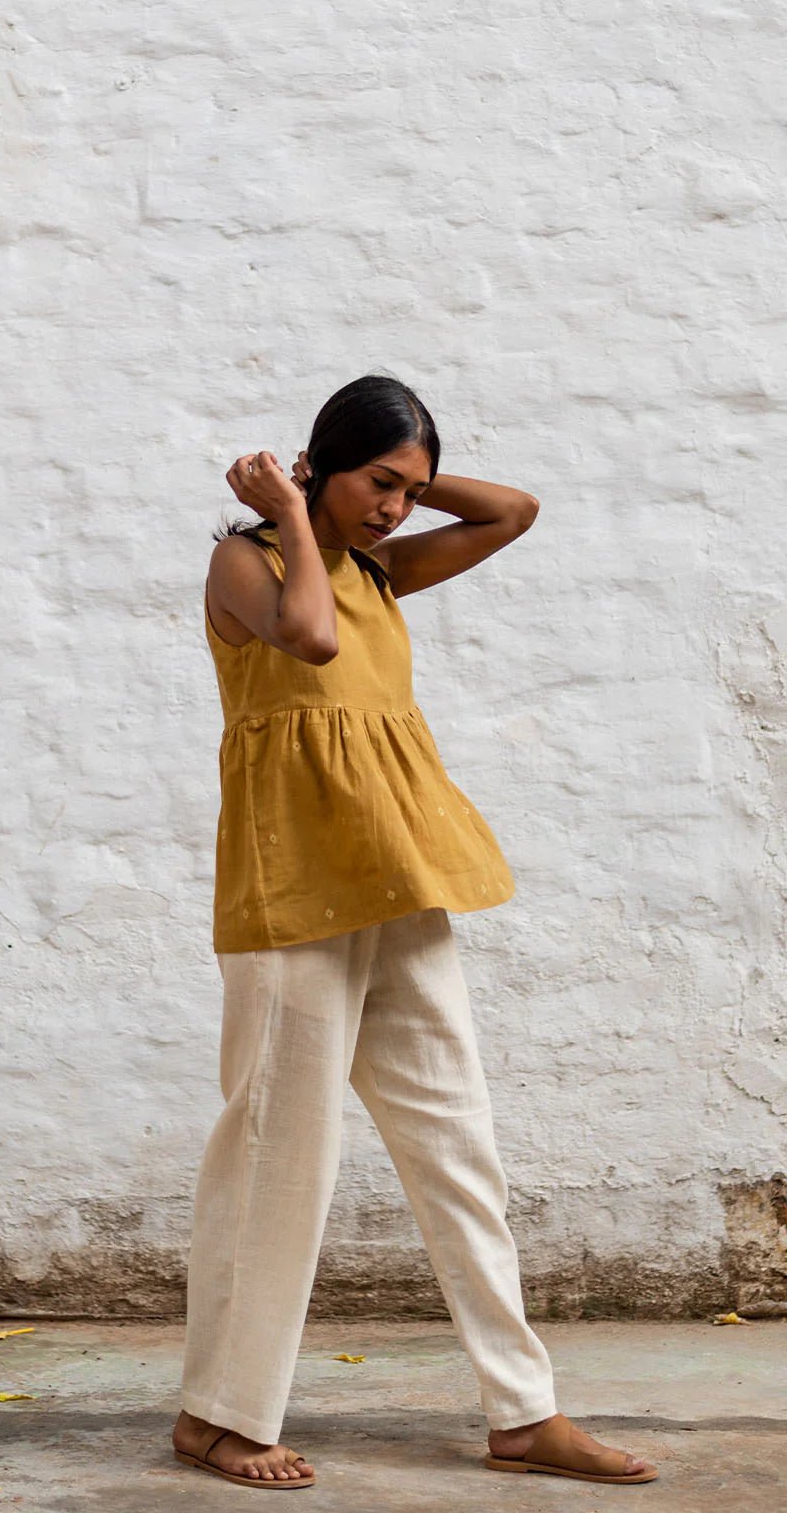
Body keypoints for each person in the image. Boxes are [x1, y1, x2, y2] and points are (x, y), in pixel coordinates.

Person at [171, 374, 659, 1490]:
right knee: (278, 1154)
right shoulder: (248, 561)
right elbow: (309, 639)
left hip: (399, 874)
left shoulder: (379, 568)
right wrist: (294, 511)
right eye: (379, 482)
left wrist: (398, 487)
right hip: (293, 892)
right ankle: (217, 1415)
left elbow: (513, 512)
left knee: (457, 1141)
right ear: (320, 465)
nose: (394, 508)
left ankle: (523, 1413)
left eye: (411, 489)